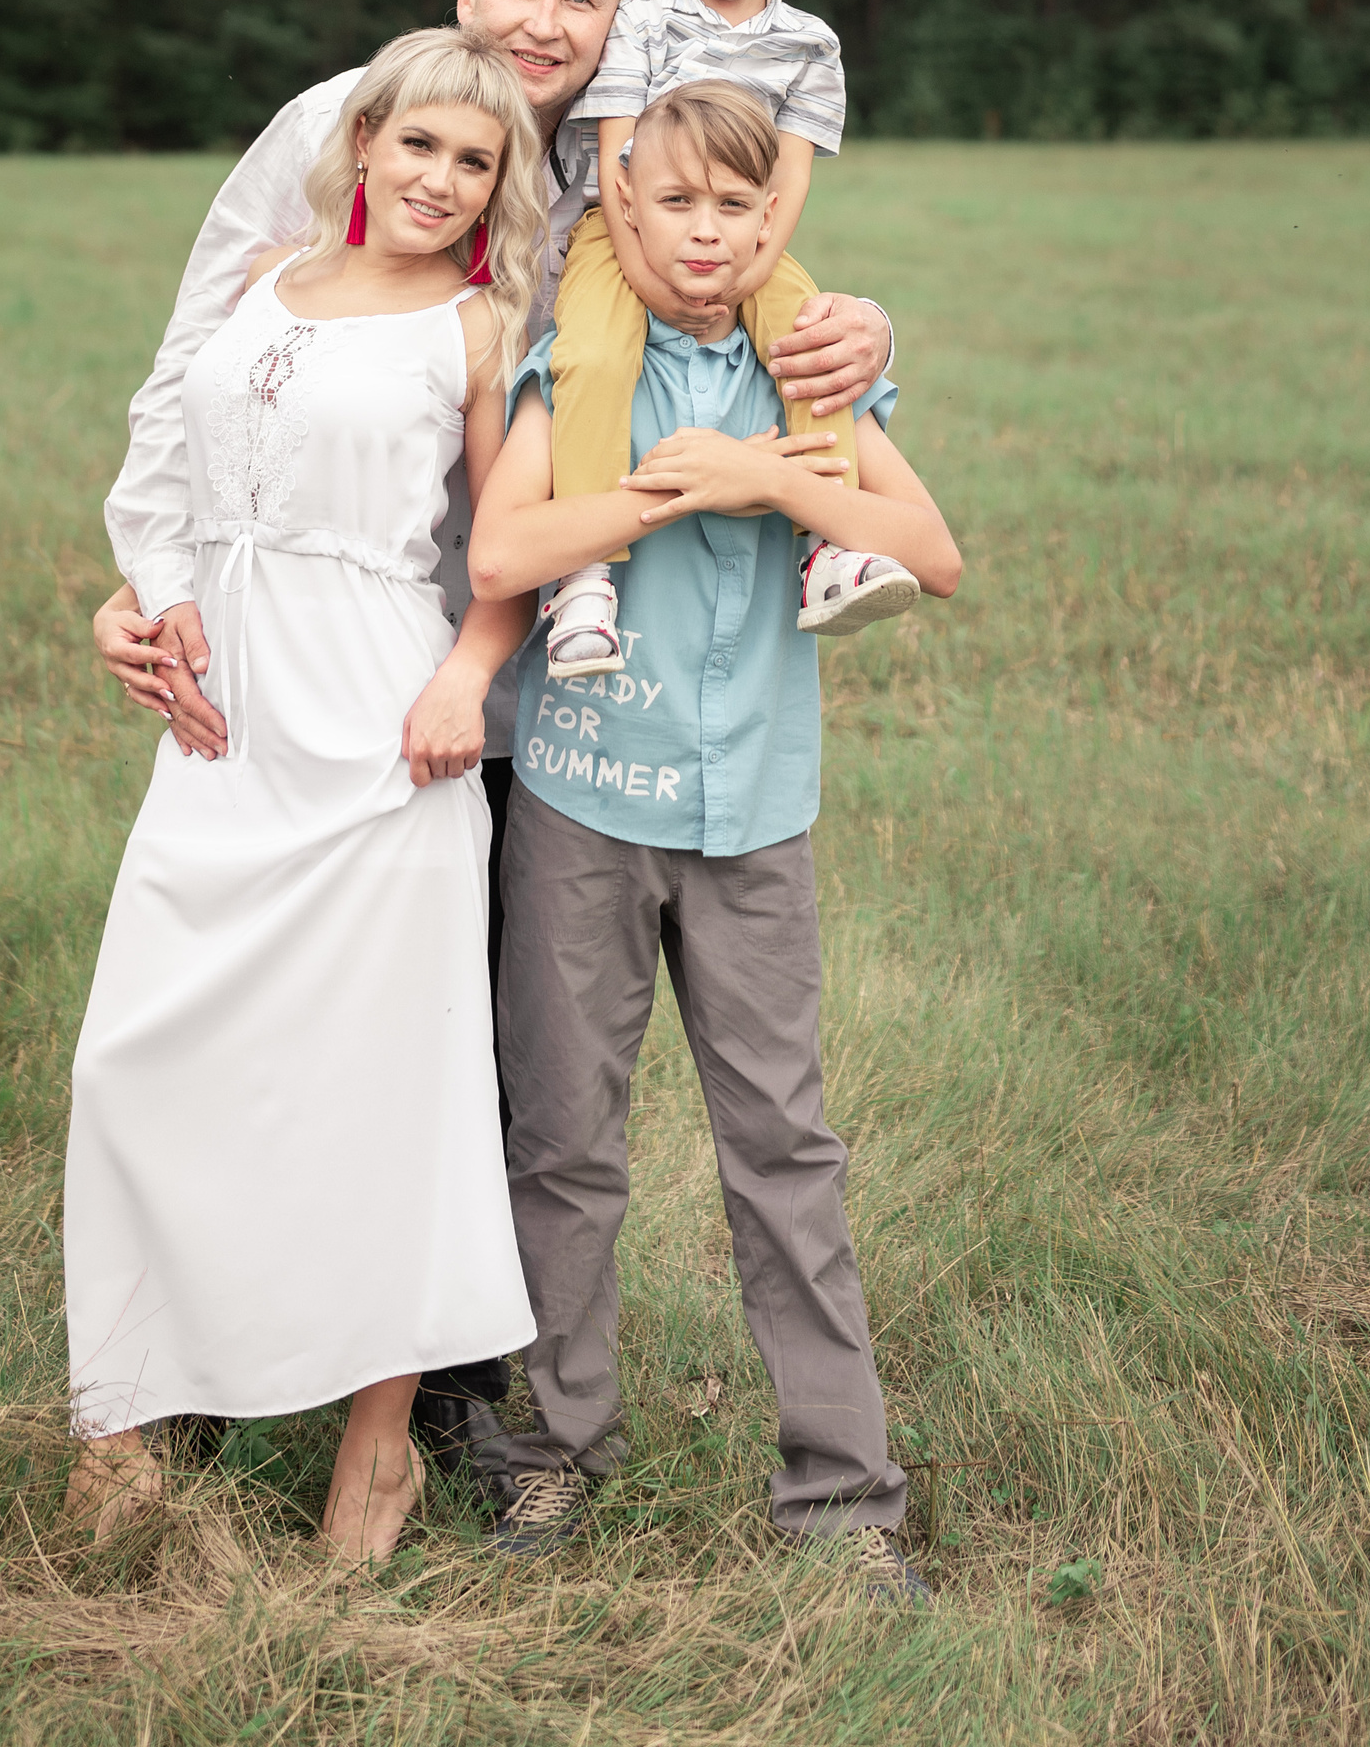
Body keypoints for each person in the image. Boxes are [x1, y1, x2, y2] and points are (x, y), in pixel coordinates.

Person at [89, 0, 903, 1493]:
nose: (541, 27)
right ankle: (210, 1358)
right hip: (322, 656)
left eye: (578, 6)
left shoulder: (621, 143)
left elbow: (746, 268)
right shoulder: (360, 123)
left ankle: (463, 1389)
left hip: (544, 688)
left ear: (621, 26)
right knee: (265, 1015)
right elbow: (204, 366)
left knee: (471, 1053)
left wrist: (873, 340)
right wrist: (150, 582)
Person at [468, 81, 962, 1601]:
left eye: (739, 210)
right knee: (563, 1143)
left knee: (784, 1151)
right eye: (675, 204)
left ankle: (844, 1495)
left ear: (772, 226)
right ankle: (550, 1457)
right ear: (625, 210)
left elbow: (933, 555)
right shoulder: (580, 364)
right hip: (582, 802)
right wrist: (645, 504)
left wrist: (763, 476)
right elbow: (502, 550)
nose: (706, 234)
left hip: (753, 816)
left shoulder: (810, 379)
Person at [64, 29, 547, 1565]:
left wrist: (467, 679)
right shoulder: (259, 275)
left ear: (495, 190)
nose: (439, 178)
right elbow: (172, 483)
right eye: (418, 147)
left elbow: (508, 554)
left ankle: (379, 1449)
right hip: (224, 731)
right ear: (364, 146)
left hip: (378, 733)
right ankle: (120, 1426)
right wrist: (138, 598)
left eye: (473, 162)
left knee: (380, 1096)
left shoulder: (479, 329)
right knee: (137, 1060)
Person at [539, 0, 919, 682]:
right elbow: (615, 154)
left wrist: (748, 273)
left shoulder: (808, 46)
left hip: (749, 239)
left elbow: (788, 177)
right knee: (591, 354)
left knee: (808, 341)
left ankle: (829, 542)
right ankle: (581, 574)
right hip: (622, 226)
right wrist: (645, 267)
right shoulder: (639, 18)